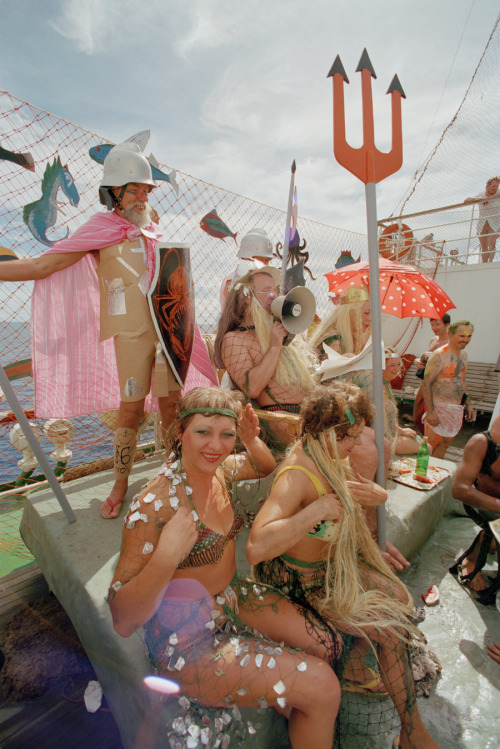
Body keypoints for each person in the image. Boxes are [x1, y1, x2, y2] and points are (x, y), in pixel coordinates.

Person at [109, 387, 340, 749]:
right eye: (203, 432)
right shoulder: (154, 504)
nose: (215, 445)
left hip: (233, 597)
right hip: (186, 639)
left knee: (327, 645)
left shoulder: (221, 471)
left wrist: (249, 439)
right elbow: (123, 620)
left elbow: (265, 466)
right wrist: (165, 557)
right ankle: (298, 699)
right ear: (180, 432)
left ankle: (296, 708)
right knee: (324, 687)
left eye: (226, 435)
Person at [0, 142, 216, 519]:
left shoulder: (153, 230)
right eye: (133, 188)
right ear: (113, 193)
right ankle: (120, 483)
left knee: (171, 408)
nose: (142, 196)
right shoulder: (100, 230)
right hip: (131, 340)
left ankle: (172, 475)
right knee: (130, 411)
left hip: (168, 336)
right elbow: (41, 267)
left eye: (146, 189)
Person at [247, 383, 440, 748]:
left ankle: (398, 718)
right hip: (299, 584)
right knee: (390, 631)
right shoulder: (296, 476)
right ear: (325, 432)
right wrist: (316, 511)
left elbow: (360, 498)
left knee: (397, 597)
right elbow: (256, 548)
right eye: (350, 437)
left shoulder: (331, 456)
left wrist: (380, 496)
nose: (356, 445)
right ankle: (412, 732)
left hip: (330, 571)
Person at [214, 268, 317, 445]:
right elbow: (251, 388)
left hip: (309, 412)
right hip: (280, 418)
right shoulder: (234, 339)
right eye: (266, 290)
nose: (273, 295)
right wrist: (275, 347)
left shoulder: (284, 329)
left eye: (276, 290)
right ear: (247, 297)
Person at [450, 412, 500, 591]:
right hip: (483, 503)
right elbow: (459, 489)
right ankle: (471, 560)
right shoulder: (481, 443)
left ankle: (491, 543)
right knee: (492, 530)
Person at [422, 320, 475, 458]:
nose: (465, 339)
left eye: (469, 336)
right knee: (429, 445)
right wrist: (431, 411)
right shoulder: (439, 354)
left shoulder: (464, 355)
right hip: (437, 407)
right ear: (451, 335)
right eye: (462, 336)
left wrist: (468, 403)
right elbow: (426, 384)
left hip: (455, 409)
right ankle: (421, 474)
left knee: (444, 445)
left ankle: (435, 474)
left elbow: (461, 380)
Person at [219, 227, 275, 309]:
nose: (264, 265)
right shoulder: (231, 281)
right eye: (260, 259)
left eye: (267, 260)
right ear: (246, 258)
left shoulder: (264, 280)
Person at [309, 286, 371, 359]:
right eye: (366, 313)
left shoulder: (347, 336)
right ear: (349, 311)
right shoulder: (335, 342)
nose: (370, 318)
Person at [413, 315, 451, 434]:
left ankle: (431, 444)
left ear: (447, 325)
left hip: (440, 385)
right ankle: (426, 439)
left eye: (438, 324)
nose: (434, 327)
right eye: (432, 324)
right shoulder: (433, 340)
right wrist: (418, 361)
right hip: (425, 382)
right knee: (417, 416)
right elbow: (426, 360)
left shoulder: (452, 342)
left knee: (434, 417)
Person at [383, 349, 419, 458]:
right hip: (383, 439)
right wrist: (400, 431)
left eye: (399, 364)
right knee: (426, 448)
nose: (397, 369)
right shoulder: (378, 386)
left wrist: (400, 430)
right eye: (392, 365)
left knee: (416, 438)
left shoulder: (386, 383)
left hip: (390, 433)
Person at [464, 176, 500, 262]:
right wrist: (481, 199)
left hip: (495, 222)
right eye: (493, 186)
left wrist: (490, 198)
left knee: (491, 243)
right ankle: (484, 262)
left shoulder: (498, 193)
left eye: (497, 186)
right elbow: (466, 200)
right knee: (483, 246)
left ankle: (490, 261)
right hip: (482, 223)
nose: (495, 188)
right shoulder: (481, 194)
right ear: (487, 186)